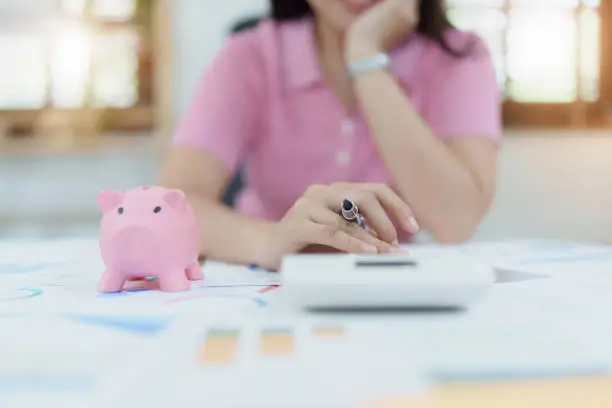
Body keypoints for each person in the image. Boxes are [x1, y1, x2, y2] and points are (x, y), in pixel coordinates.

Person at [159, 0, 502, 270]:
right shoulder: (251, 53)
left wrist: (366, 56)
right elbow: (174, 204)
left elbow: (456, 221)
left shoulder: (458, 58)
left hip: (391, 283)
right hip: (270, 281)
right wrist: (274, 241)